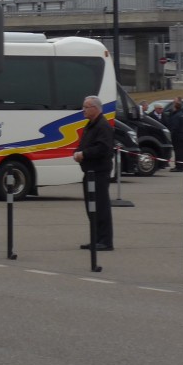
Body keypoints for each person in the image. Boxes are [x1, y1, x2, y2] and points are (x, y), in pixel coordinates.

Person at [72, 95, 114, 251]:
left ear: (95, 109)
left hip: (99, 172)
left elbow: (103, 148)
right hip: (89, 171)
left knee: (101, 206)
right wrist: (78, 152)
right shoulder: (90, 125)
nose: (83, 110)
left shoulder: (103, 126)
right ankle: (96, 238)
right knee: (91, 207)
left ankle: (105, 241)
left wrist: (84, 154)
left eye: (86, 107)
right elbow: (83, 144)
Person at [164, 96, 183, 172]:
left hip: (179, 135)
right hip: (181, 134)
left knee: (181, 151)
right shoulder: (177, 113)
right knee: (181, 151)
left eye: (175, 102)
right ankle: (182, 165)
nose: (173, 103)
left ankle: (182, 165)